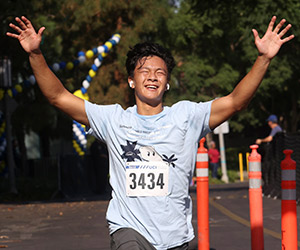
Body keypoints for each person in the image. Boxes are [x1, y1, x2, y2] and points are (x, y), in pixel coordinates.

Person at [7, 16, 294, 250]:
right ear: (131, 81)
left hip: (177, 237)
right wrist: (35, 54)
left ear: (167, 83)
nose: (152, 76)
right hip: (129, 231)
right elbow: (58, 96)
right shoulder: (112, 119)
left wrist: (263, 59)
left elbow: (235, 101)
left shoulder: (186, 116)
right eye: (144, 71)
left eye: (160, 72)